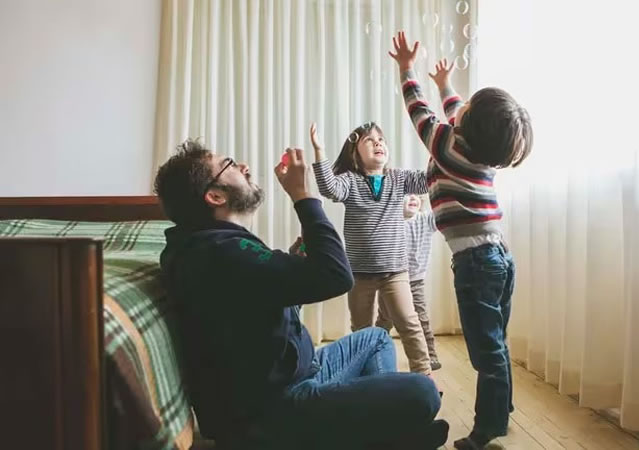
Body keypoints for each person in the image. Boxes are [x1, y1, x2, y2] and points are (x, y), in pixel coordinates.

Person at [154, 140, 448, 450]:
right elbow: (337, 276)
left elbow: (268, 291)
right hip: (275, 413)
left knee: (375, 338)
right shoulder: (224, 253)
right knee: (423, 393)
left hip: (299, 374)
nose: (244, 167)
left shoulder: (211, 247)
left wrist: (298, 255)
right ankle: (380, 430)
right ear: (215, 196)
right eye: (230, 164)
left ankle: (378, 429)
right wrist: (302, 195)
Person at [389, 31, 534, 450]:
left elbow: (420, 113)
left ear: (467, 126)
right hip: (497, 257)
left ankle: (486, 429)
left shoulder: (448, 147)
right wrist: (446, 86)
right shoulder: (476, 150)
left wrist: (407, 70)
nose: (458, 108)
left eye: (465, 109)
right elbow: (456, 111)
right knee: (496, 343)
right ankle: (501, 408)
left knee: (484, 353)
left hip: (477, 263)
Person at [310, 122, 433, 376]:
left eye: (381, 139)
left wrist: (439, 151)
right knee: (362, 330)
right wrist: (319, 152)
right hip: (359, 274)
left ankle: (425, 375)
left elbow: (427, 181)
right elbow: (329, 188)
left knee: (409, 324)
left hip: (395, 271)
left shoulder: (398, 178)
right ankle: (366, 377)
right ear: (355, 154)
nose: (378, 143)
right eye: (369, 140)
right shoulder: (350, 181)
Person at [376, 194, 441, 370]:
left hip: (415, 280)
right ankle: (373, 351)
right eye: (406, 195)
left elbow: (441, 212)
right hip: (391, 280)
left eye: (416, 195)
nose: (413, 198)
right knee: (385, 318)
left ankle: (430, 355)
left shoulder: (426, 219)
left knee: (421, 317)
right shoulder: (390, 221)